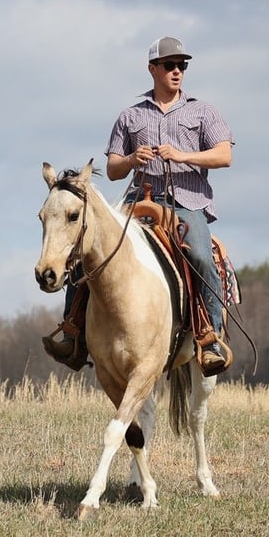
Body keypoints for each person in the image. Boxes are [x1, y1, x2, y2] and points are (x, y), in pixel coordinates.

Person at [43, 36, 233, 376]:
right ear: (152, 69)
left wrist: (182, 155)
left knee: (202, 255)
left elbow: (224, 155)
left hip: (186, 205)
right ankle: (73, 333)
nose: (177, 72)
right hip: (136, 202)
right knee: (87, 249)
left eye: (182, 66)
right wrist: (132, 158)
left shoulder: (204, 111)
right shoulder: (130, 116)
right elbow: (113, 169)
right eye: (169, 66)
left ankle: (209, 337)